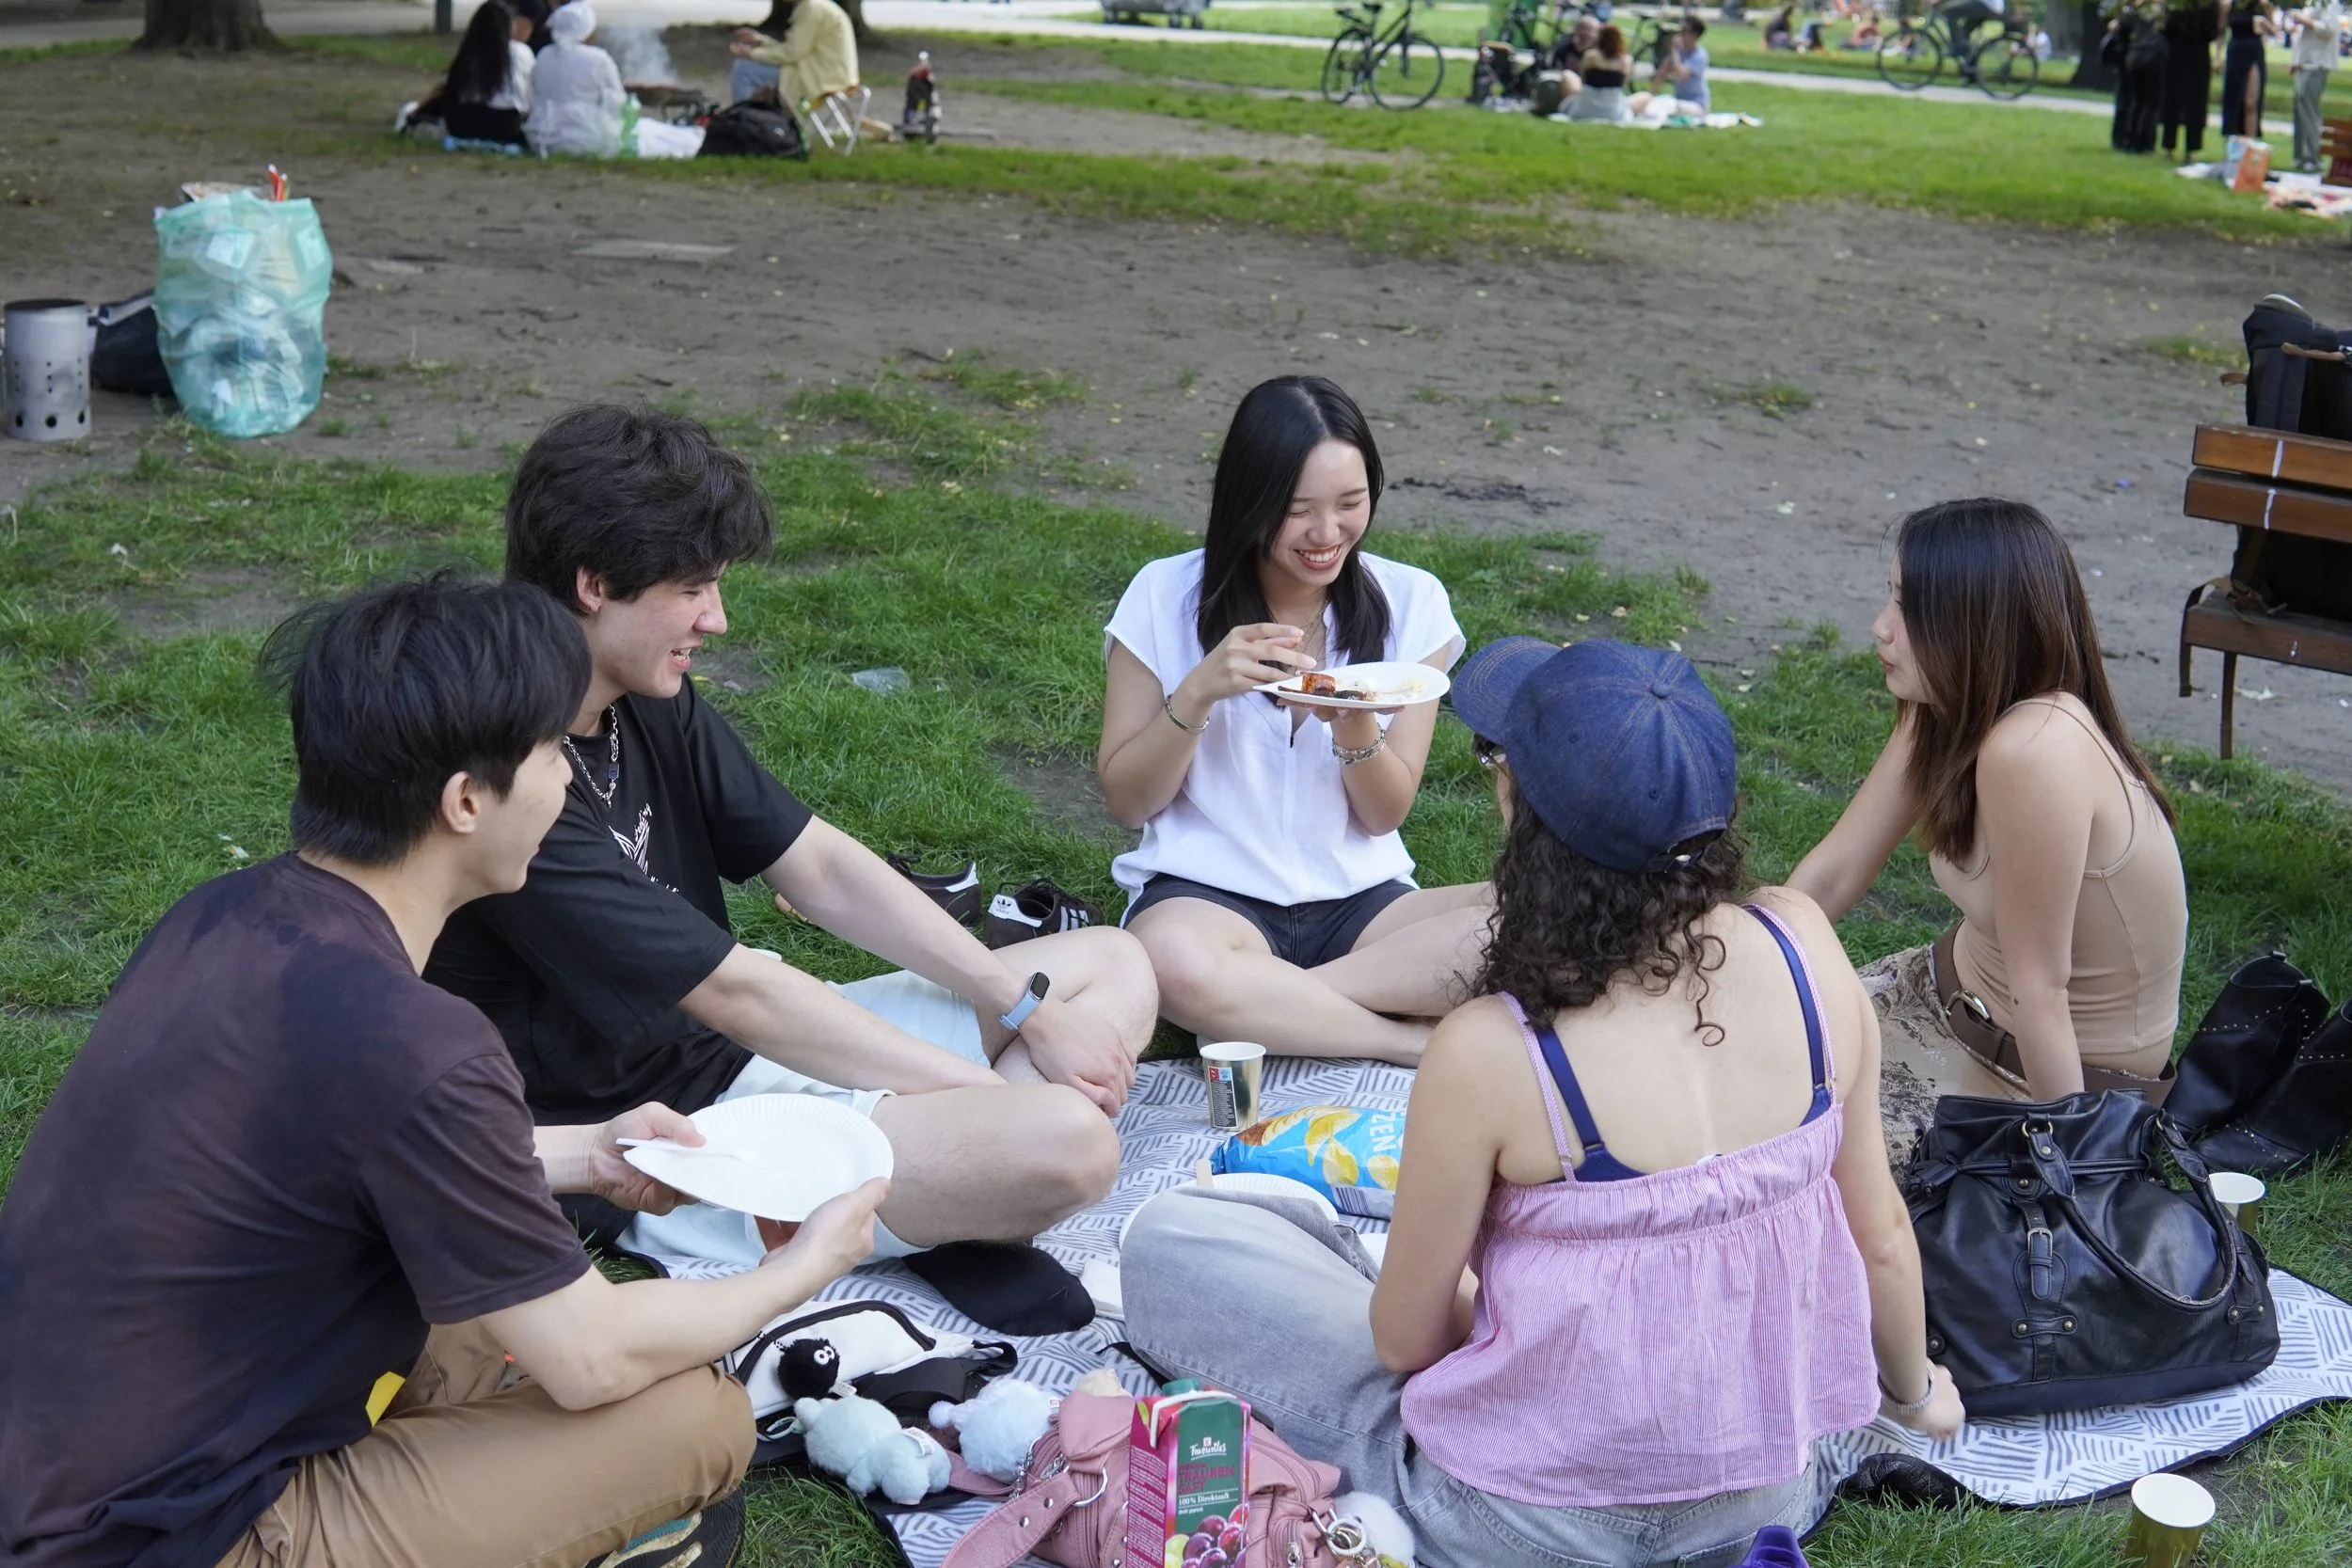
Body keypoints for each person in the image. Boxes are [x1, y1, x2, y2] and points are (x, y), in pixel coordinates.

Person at [0, 576, 893, 1568]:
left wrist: (590, 1152)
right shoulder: (418, 1040)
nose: (569, 778)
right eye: (556, 749)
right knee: (697, 1415)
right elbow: (590, 1356)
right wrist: (802, 1266)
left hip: (57, 1450)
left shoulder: (225, 912)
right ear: (465, 800)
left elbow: (342, 1137)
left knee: (499, 1318)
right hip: (171, 1532)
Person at [1121, 638, 1964, 1568]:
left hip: (1515, 1521)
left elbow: (1406, 1339)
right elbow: (1877, 1231)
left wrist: (1498, 1312)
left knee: (1183, 1240)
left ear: (1521, 807)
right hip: (1762, 1492)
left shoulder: (1489, 1046)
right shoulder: (1803, 941)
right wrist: (1916, 1393)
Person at [423, 404, 1156, 1318]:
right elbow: (736, 992)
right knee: (1070, 1143)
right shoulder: (508, 776)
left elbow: (815, 865)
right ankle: (947, 1193)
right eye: (694, 589)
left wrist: (1018, 1008)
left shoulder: (636, 693)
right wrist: (978, 1098)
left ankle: (943, 1206)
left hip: (749, 1052)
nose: (717, 620)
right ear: (593, 582)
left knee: (1114, 963)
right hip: (664, 1135)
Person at [1788, 499, 2186, 1168]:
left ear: (1974, 628)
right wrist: (1729, 965)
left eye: (1908, 610)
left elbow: (2042, 992)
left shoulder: (2037, 749)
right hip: (1940, 997)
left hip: (2036, 1080)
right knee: (1733, 1055)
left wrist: (2078, 1174)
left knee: (1782, 1143)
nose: (1880, 629)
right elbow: (1835, 871)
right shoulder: (1947, 705)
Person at [1096, 376, 1477, 1066]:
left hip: (1365, 908)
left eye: (1350, 504)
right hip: (1209, 902)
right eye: (1299, 510)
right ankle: (1400, 1040)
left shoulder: (1414, 601)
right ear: (1250, 502)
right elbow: (1127, 800)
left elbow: (1384, 815)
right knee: (1172, 961)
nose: (1328, 535)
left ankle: (1274, 1007)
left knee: (1535, 920)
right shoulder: (1162, 593)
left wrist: (1353, 724)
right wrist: (1199, 692)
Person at [419, 0, 534, 148]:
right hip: (504, 126)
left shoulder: (469, 51)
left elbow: (446, 87)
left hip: (462, 124)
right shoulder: (520, 52)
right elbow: (528, 94)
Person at [524, 0, 624, 157]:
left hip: (538, 138)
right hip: (585, 140)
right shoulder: (599, 59)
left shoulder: (544, 54)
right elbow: (617, 101)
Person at [729, 0, 858, 113]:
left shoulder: (811, 8)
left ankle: (744, 123)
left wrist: (752, 53)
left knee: (743, 70)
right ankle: (756, 118)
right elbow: (795, 48)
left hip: (820, 78)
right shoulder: (818, 6)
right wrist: (762, 41)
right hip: (834, 75)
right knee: (753, 71)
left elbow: (792, 54)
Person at [2160, 0, 2226, 160]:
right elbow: (2213, 31)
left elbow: (2166, 28)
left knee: (2182, 100)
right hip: (2193, 54)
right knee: (2184, 101)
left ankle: (2175, 147)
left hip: (2184, 53)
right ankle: (2186, 148)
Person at [2111, 0, 2169, 151]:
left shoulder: (2136, 8)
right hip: (2154, 57)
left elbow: (2119, 25)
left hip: (2136, 56)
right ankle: (2145, 140)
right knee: (2151, 102)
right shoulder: (2161, 10)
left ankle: (2130, 137)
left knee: (2136, 101)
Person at [2291, 0, 2342, 170]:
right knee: (2299, 109)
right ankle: (2300, 156)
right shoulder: (2312, 3)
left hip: (2317, 63)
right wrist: (2296, 60)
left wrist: (2305, 20)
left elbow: (2329, 30)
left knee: (2308, 109)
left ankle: (2312, 157)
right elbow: (2304, 37)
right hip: (2305, 62)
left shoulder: (2329, 3)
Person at [2222, 0, 2278, 135]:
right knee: (2233, 100)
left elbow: (2274, 31)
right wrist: (2218, 56)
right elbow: (2221, 29)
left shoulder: (2263, 5)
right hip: (2235, 50)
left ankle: (2250, 144)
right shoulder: (2229, 4)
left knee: (2251, 101)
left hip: (2253, 51)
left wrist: (2266, 25)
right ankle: (2232, 144)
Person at [1565, 23, 1637, 117]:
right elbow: (1625, 82)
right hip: (1613, 109)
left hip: (1586, 105)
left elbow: (1583, 77)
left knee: (1568, 75)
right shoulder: (1626, 60)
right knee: (1644, 97)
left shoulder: (1590, 56)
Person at [1656, 15, 1711, 110]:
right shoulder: (1680, 51)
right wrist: (1652, 95)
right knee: (1657, 103)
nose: (1680, 34)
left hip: (1697, 104)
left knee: (1667, 106)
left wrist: (1674, 50)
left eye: (1684, 31)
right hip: (1679, 101)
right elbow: (1662, 73)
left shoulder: (1699, 55)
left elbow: (1680, 75)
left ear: (1694, 35)